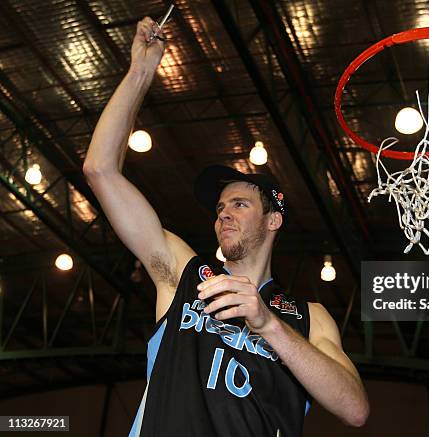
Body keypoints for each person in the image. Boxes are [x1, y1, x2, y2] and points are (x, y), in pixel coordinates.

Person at [83, 16, 369, 436]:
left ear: (274, 220)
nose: (223, 214)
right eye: (220, 207)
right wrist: (140, 72)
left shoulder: (310, 317)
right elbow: (100, 170)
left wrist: (268, 324)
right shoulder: (185, 275)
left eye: (239, 203)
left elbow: (355, 409)